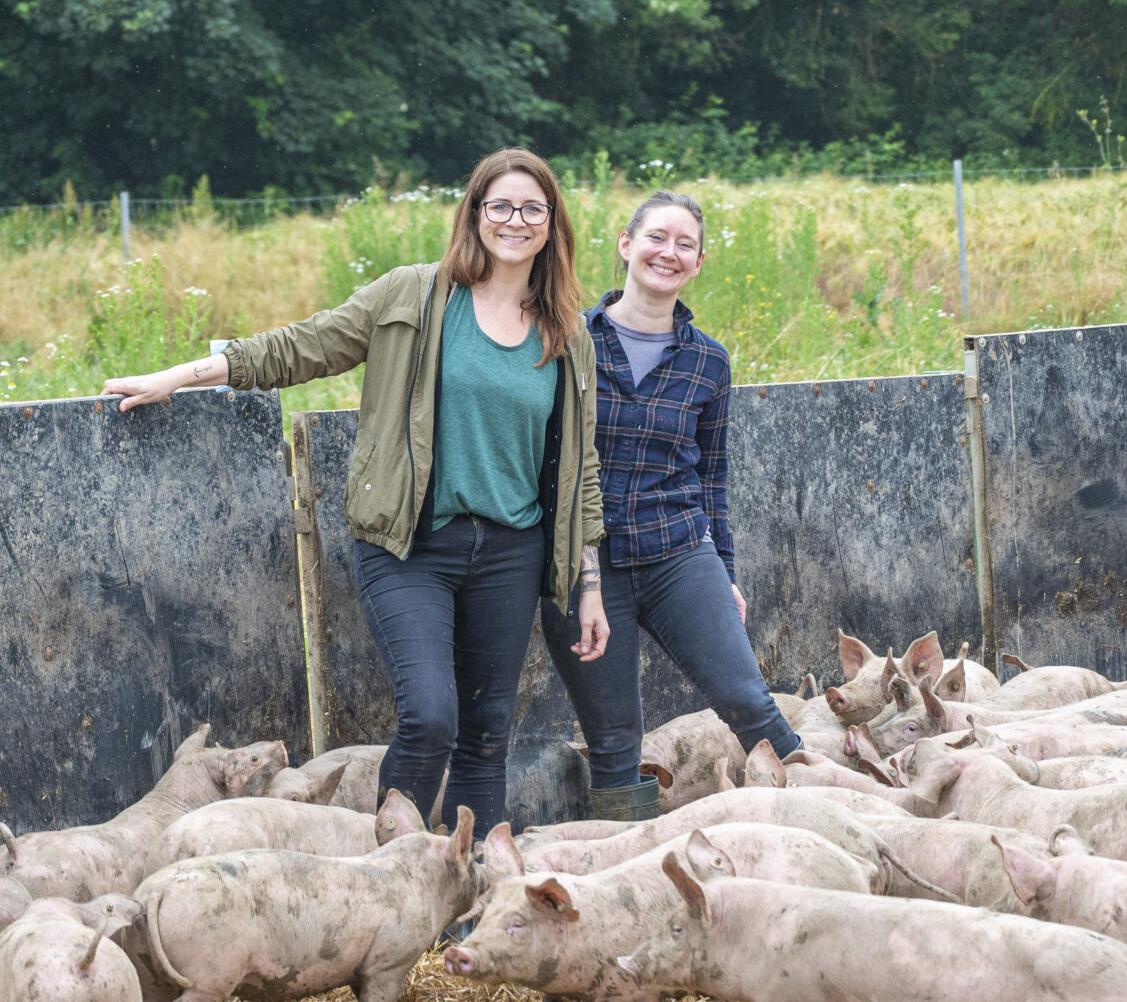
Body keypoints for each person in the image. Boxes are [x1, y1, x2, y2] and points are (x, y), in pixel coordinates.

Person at [102, 150, 608, 835]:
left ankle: (479, 895)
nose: (515, 220)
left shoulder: (568, 332)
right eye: (500, 205)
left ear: (552, 224)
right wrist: (184, 373)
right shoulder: (414, 295)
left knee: (486, 737)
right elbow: (305, 345)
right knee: (432, 716)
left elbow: (582, 468)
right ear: (475, 212)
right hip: (410, 543)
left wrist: (590, 579)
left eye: (532, 208)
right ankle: (394, 877)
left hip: (510, 554)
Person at [539, 190, 800, 821]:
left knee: (748, 699)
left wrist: (726, 573)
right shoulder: (566, 340)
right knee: (613, 737)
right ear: (626, 246)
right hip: (583, 563)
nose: (669, 252)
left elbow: (713, 476)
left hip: (679, 551)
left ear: (698, 264)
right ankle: (625, 873)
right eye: (657, 237)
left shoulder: (708, 361)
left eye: (685, 244)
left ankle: (819, 817)